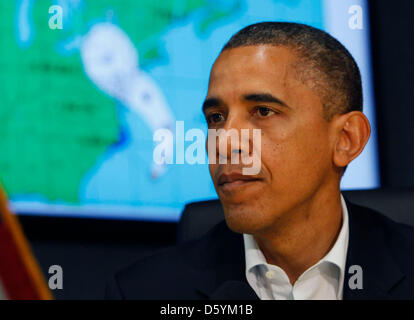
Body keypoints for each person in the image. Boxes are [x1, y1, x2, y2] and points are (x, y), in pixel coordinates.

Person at [105, 22, 414, 300]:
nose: (224, 141)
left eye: (263, 111)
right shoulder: (141, 292)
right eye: (216, 118)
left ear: (346, 139)